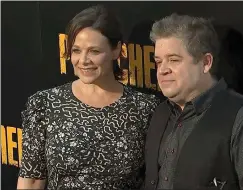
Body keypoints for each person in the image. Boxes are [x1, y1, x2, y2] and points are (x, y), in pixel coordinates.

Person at [17, 5, 160, 190]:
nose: (83, 60)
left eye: (94, 51)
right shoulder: (45, 104)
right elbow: (32, 181)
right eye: (76, 50)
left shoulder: (144, 108)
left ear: (116, 51)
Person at [144, 13, 243, 190]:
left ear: (206, 62)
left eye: (173, 60)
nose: (162, 70)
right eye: (158, 61)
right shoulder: (161, 113)